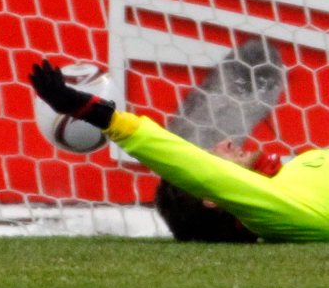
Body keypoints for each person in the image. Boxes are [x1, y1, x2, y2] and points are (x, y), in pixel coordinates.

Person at [29, 58, 329, 242]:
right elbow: (182, 161)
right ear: (213, 197)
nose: (223, 143)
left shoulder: (295, 172)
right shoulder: (279, 214)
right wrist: (96, 114)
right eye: (211, 158)